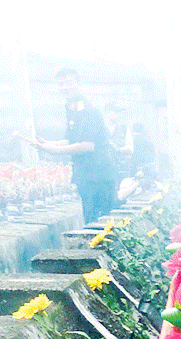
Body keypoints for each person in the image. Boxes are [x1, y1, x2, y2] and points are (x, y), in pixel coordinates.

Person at [23, 68, 117, 225]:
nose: (64, 87)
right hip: (87, 174)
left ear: (78, 84)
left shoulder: (87, 110)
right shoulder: (73, 108)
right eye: (60, 84)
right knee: (91, 219)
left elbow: (87, 145)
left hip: (98, 175)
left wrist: (55, 150)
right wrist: (47, 143)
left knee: (99, 222)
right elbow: (71, 139)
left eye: (68, 83)